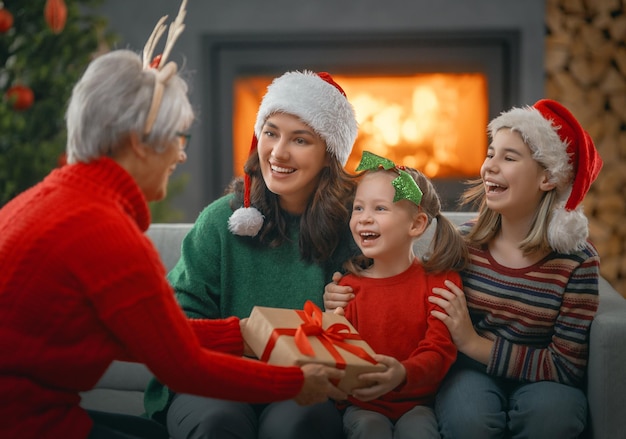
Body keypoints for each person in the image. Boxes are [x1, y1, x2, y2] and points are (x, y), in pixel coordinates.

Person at [0, 2, 348, 438]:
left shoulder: (51, 198)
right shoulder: (104, 232)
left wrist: (240, 333)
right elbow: (180, 365)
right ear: (139, 143)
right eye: (178, 138)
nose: (181, 154)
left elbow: (138, 340)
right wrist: (297, 381)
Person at [325, 99, 604, 439]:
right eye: (490, 153)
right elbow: (400, 283)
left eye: (509, 157)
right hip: (470, 375)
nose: (490, 166)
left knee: (552, 416)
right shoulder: (465, 244)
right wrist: (339, 295)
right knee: (468, 419)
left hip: (543, 379)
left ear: (548, 177)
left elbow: (567, 366)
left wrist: (472, 343)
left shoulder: (577, 262)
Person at [144, 69, 361, 439]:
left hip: (303, 383)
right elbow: (177, 318)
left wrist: (348, 305)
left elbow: (376, 318)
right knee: (218, 423)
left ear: (329, 156)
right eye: (271, 132)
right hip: (217, 377)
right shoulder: (221, 221)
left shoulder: (354, 227)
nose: (278, 152)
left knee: (298, 425)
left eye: (301, 140)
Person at [335, 151, 468, 439]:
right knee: (370, 428)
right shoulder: (347, 288)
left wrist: (402, 373)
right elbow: (339, 352)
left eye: (379, 209)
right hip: (363, 405)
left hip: (418, 403)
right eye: (358, 208)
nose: (364, 219)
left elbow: (439, 350)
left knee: (419, 431)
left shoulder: (440, 282)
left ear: (416, 224)